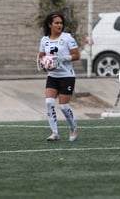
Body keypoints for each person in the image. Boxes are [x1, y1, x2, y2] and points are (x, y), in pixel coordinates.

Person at [38, 12, 80, 142]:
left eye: (61, 23)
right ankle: (55, 133)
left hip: (67, 76)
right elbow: (41, 56)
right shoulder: (45, 40)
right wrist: (43, 65)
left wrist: (62, 58)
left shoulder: (67, 38)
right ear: (50, 25)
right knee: (49, 102)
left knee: (63, 107)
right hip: (52, 76)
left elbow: (76, 55)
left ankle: (73, 127)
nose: (59, 25)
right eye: (56, 23)